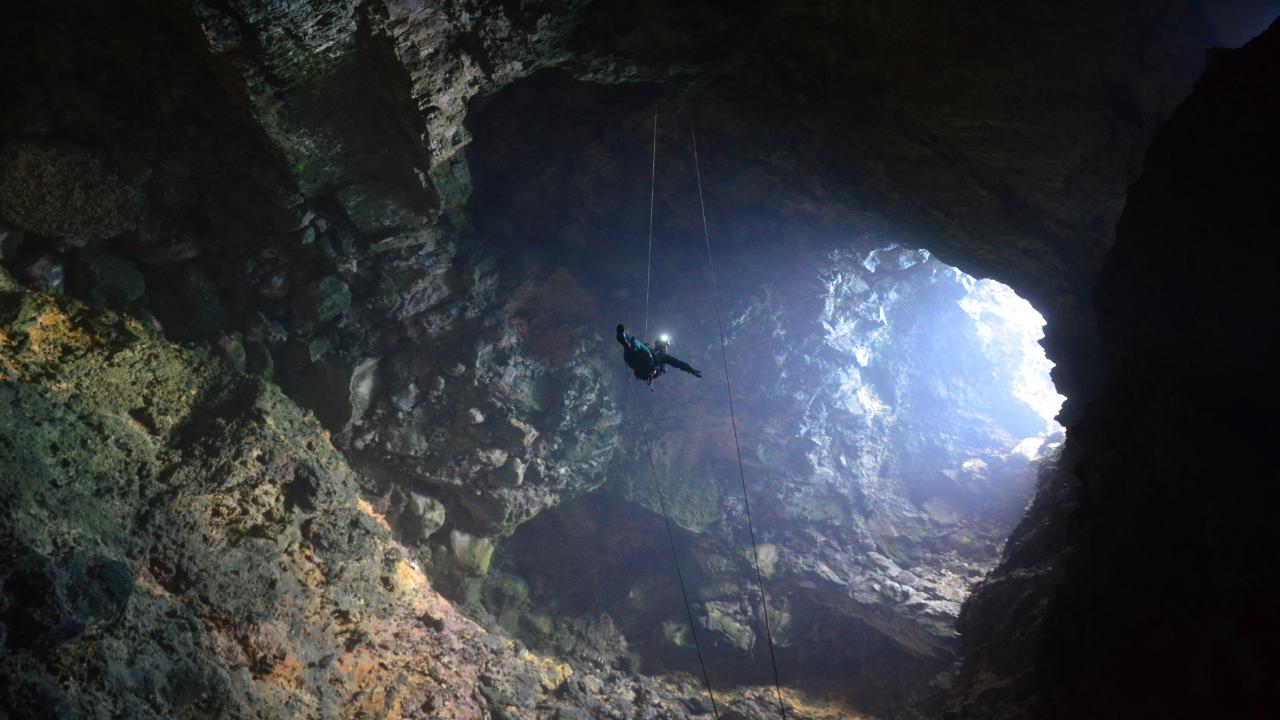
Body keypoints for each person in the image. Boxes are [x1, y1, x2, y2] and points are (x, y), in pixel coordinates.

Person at [616, 324, 702, 383]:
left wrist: (690, 369)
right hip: (633, 361)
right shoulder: (649, 346)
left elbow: (677, 363)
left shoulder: (663, 357)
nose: (662, 346)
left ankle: (627, 343)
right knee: (636, 345)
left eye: (664, 345)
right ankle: (625, 339)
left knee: (640, 347)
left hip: (645, 364)